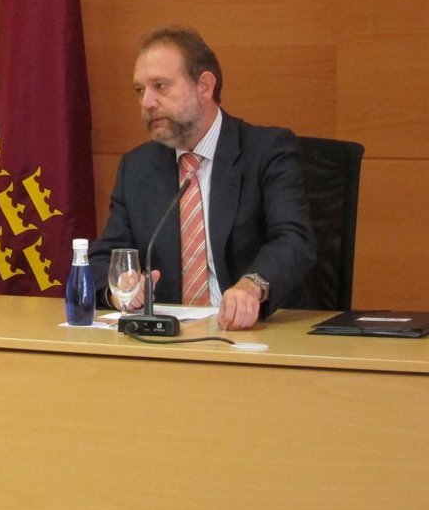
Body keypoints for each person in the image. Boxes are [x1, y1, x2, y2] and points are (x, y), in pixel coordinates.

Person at [90, 27, 315, 330]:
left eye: (160, 86)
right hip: (170, 339)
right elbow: (105, 257)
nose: (146, 103)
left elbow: (294, 239)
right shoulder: (137, 168)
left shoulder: (267, 151)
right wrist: (121, 288)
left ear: (205, 86)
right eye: (140, 90)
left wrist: (252, 286)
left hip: (255, 334)